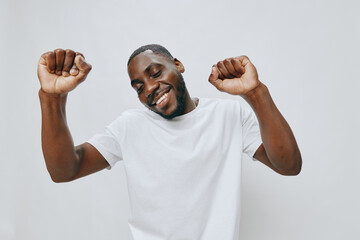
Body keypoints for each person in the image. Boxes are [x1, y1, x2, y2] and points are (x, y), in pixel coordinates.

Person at [37, 44, 302, 239]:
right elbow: (64, 170)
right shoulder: (130, 126)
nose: (149, 88)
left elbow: (289, 164)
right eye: (138, 87)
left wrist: (255, 93)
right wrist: (52, 98)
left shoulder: (228, 116)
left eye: (155, 73)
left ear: (178, 65)